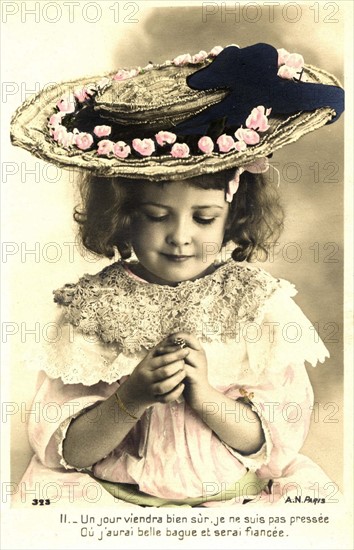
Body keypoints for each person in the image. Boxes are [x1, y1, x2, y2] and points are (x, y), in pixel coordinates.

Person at [10, 42, 344, 507]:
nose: (180, 237)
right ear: (123, 215)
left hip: (233, 504)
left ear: (233, 215)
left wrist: (205, 396)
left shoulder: (256, 304)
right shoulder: (90, 310)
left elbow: (273, 445)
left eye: (203, 219)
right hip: (113, 504)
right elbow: (65, 450)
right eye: (156, 215)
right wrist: (131, 398)